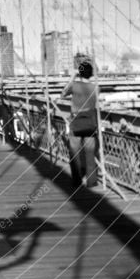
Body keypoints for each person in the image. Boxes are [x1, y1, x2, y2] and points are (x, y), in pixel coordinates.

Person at [55, 60, 99, 189]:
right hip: (90, 122)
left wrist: (73, 77)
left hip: (76, 122)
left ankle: (77, 181)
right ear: (91, 74)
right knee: (90, 153)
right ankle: (92, 181)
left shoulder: (74, 85)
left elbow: (62, 94)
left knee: (74, 152)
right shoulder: (95, 87)